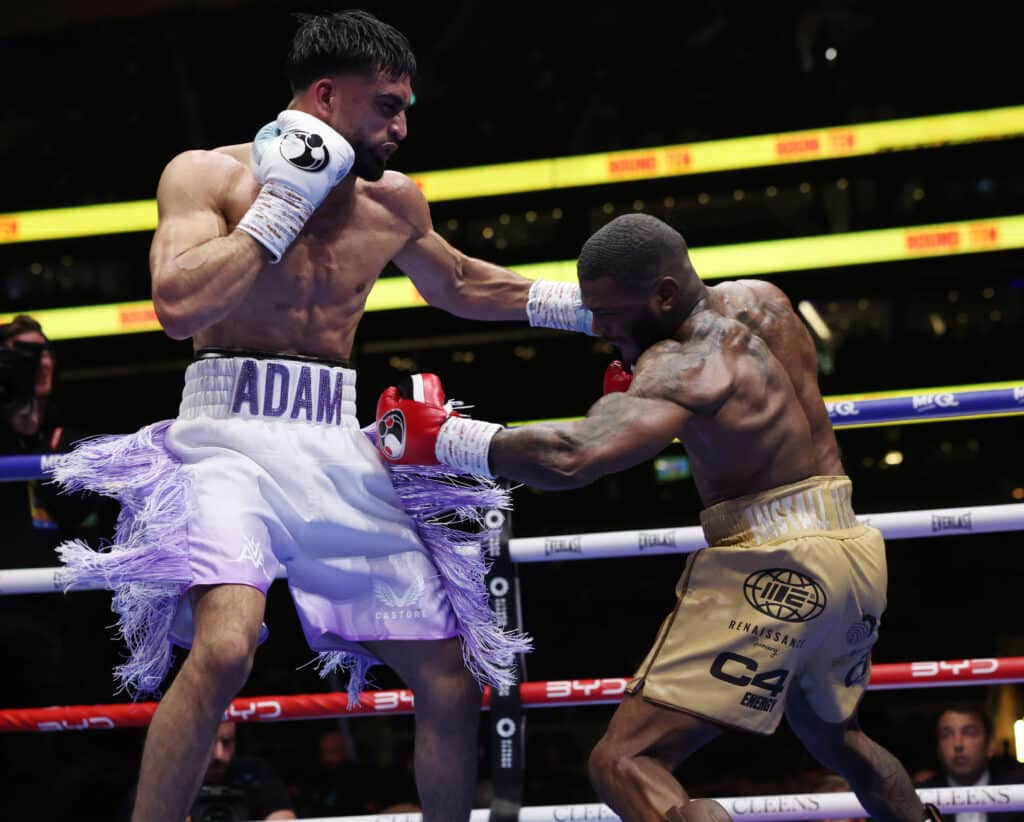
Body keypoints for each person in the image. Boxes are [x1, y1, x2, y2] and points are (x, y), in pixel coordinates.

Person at [50, 10, 593, 822]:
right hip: (223, 439)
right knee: (226, 647)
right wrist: (280, 209)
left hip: (335, 445)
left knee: (448, 681)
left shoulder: (396, 202)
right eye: (386, 106)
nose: (402, 127)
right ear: (328, 96)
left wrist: (591, 309)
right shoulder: (207, 176)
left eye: (407, 107)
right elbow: (174, 304)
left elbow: (461, 284)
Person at [377, 213, 941, 822]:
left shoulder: (684, 361)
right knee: (842, 742)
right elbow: (635, 318)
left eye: (611, 316)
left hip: (774, 559)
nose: (601, 329)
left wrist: (448, 440)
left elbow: (574, 458)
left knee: (623, 762)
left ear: (664, 295)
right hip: (851, 548)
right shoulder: (763, 301)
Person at [916, 705, 1024, 822]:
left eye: (969, 733)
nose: (958, 744)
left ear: (990, 745)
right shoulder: (919, 799)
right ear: (938, 748)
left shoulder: (1018, 794)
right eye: (946, 735)